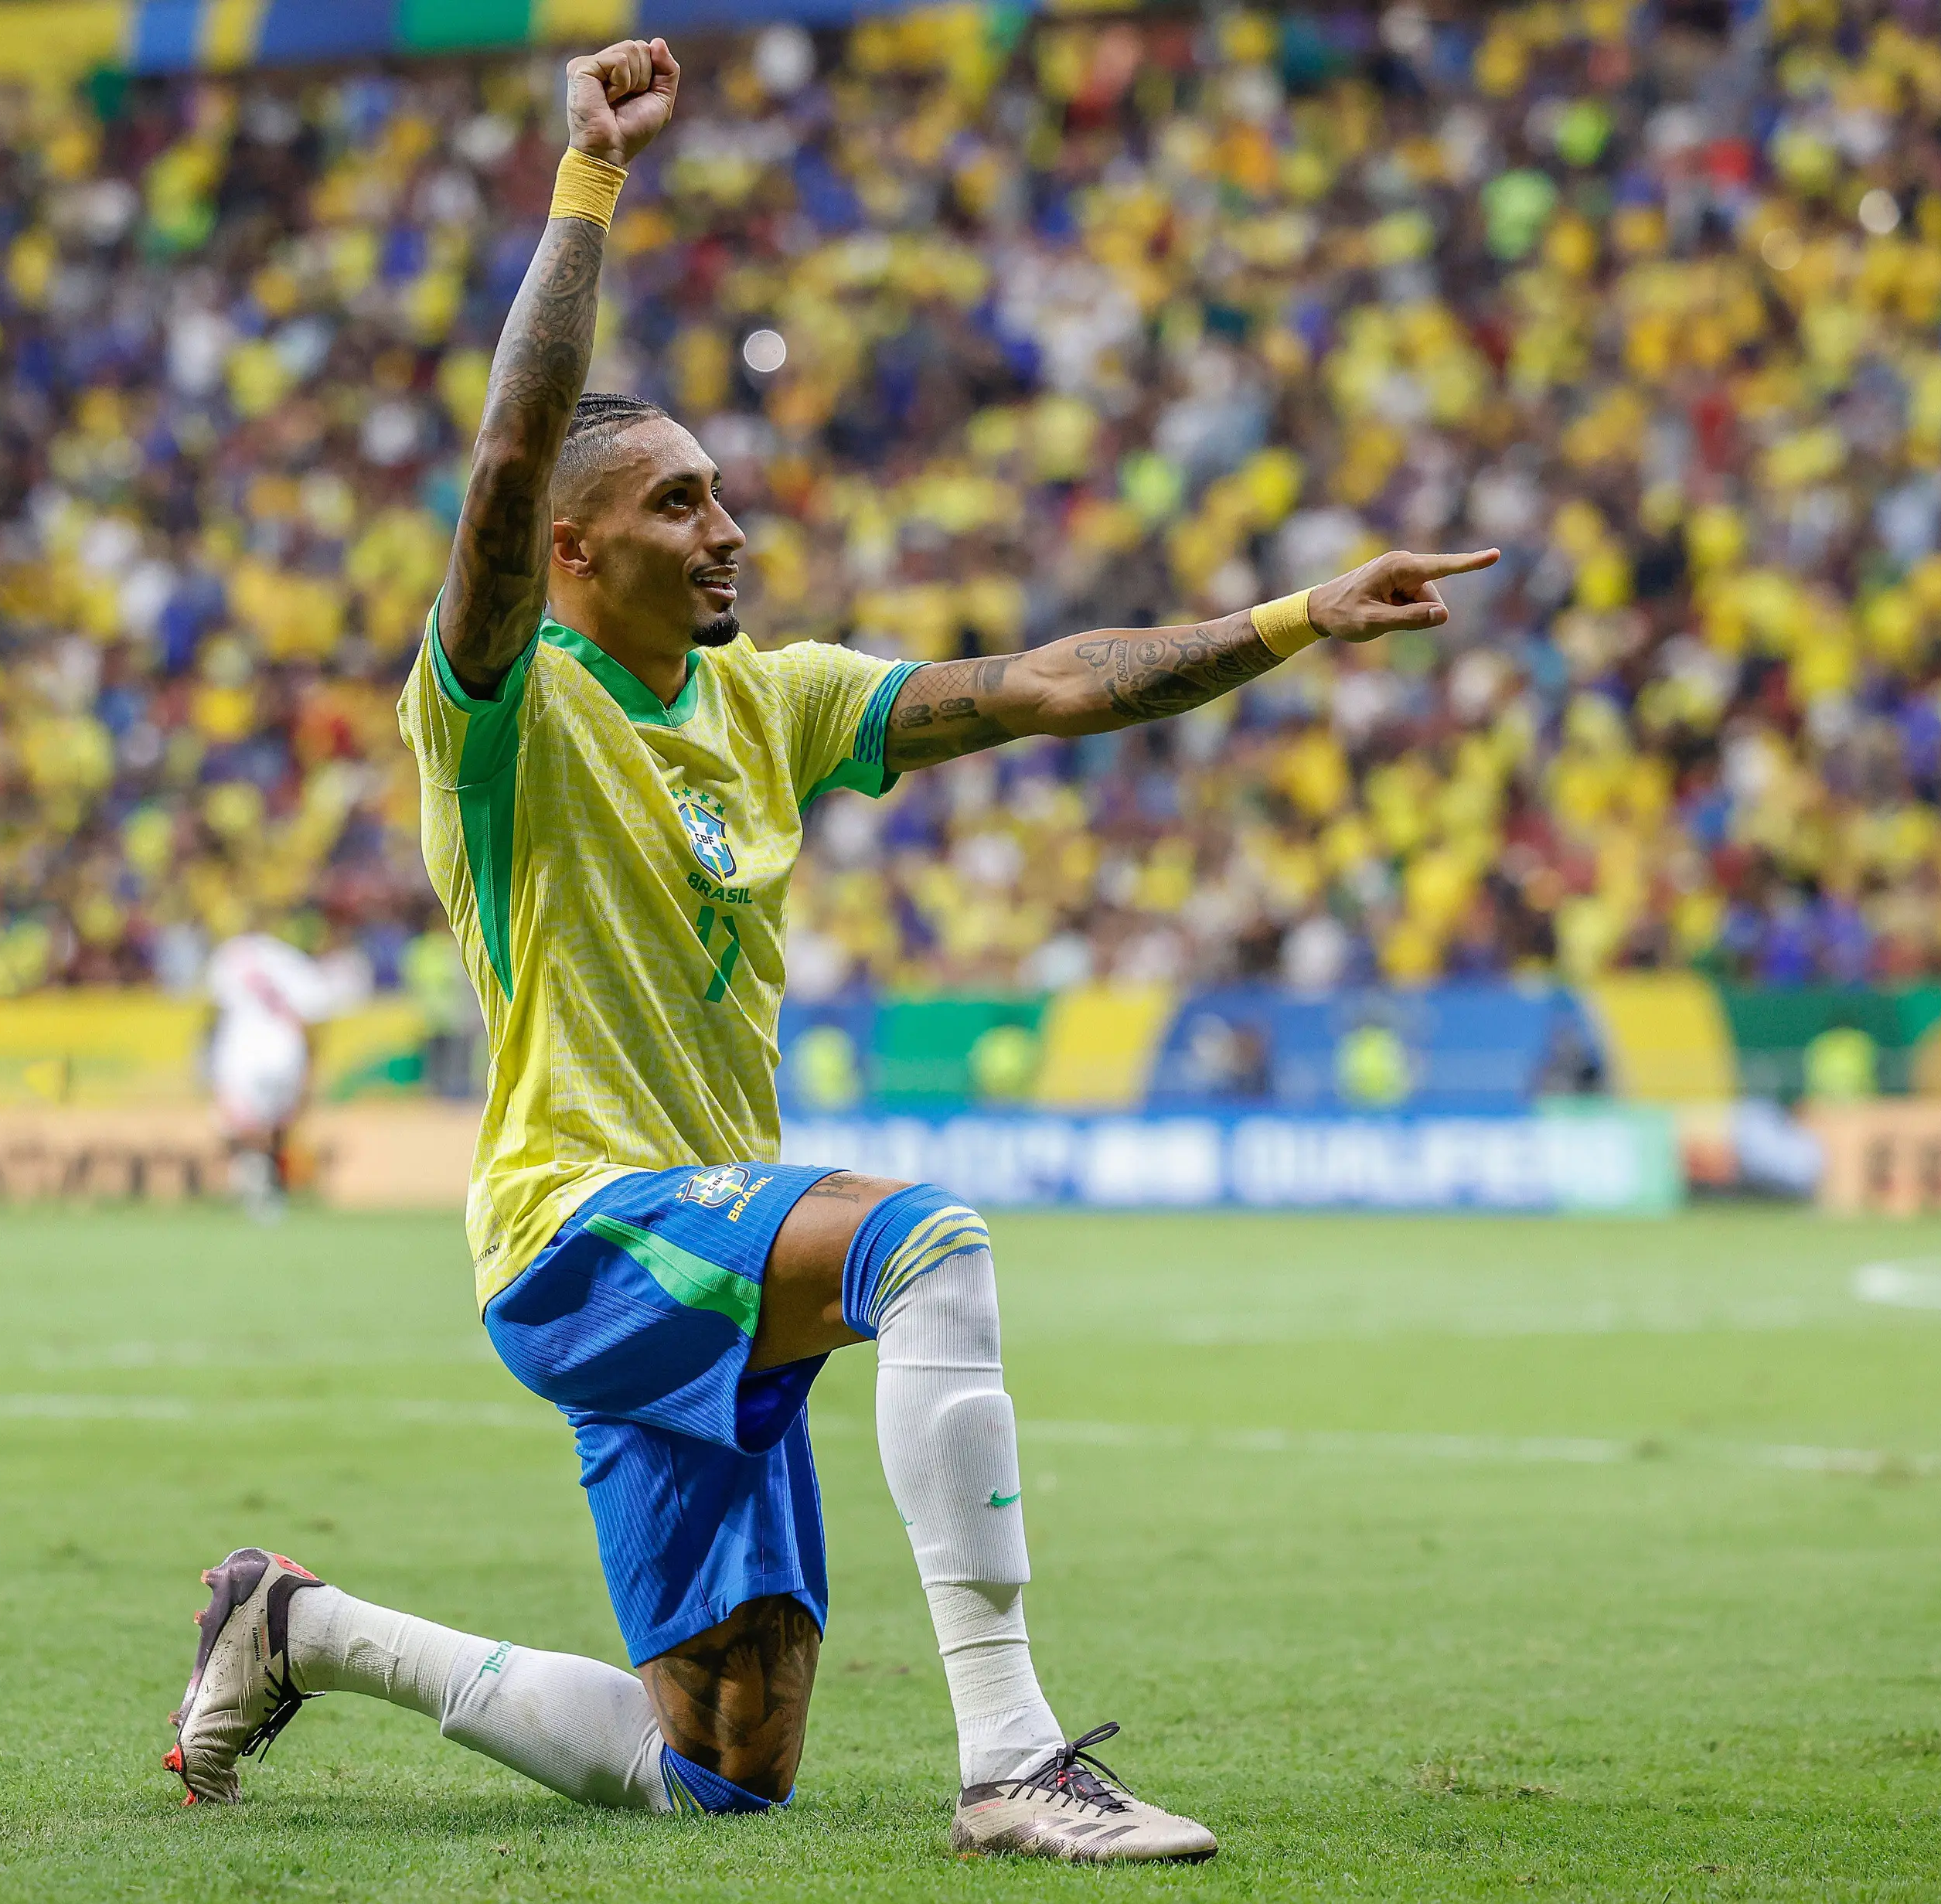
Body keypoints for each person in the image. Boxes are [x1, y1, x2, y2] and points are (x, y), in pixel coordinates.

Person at [165, 38, 1497, 1861]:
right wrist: (588, 181)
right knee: (926, 1241)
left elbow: (1036, 683)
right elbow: (496, 460)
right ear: (568, 552)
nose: (727, 526)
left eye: (720, 492)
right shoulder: (501, 714)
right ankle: (1013, 1755)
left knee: (719, 1759)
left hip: (694, 1229)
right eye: (677, 503)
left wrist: (1287, 619)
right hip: (579, 1219)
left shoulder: (772, 698)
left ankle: (294, 1622)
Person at [203, 928, 373, 1220]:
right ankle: (269, 1188)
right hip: (286, 1051)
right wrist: (311, 1065)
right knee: (276, 1127)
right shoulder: (293, 960)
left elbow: (214, 1011)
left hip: (243, 1052)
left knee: (241, 1128)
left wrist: (208, 1056)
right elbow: (316, 1014)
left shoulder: (229, 955)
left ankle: (259, 1189)